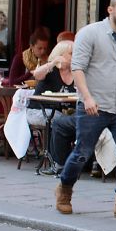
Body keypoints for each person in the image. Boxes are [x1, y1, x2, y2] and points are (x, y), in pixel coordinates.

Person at [54, 0, 116, 220]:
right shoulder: (90, 33)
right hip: (94, 104)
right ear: (110, 10)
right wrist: (87, 97)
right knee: (82, 153)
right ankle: (64, 189)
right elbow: (77, 68)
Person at [31, 40, 77, 176]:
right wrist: (52, 63)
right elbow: (36, 74)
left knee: (68, 120)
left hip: (63, 111)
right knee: (57, 120)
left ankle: (70, 160)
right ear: (60, 55)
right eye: (71, 54)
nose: (75, 56)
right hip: (39, 109)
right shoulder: (51, 71)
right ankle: (57, 162)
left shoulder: (76, 72)